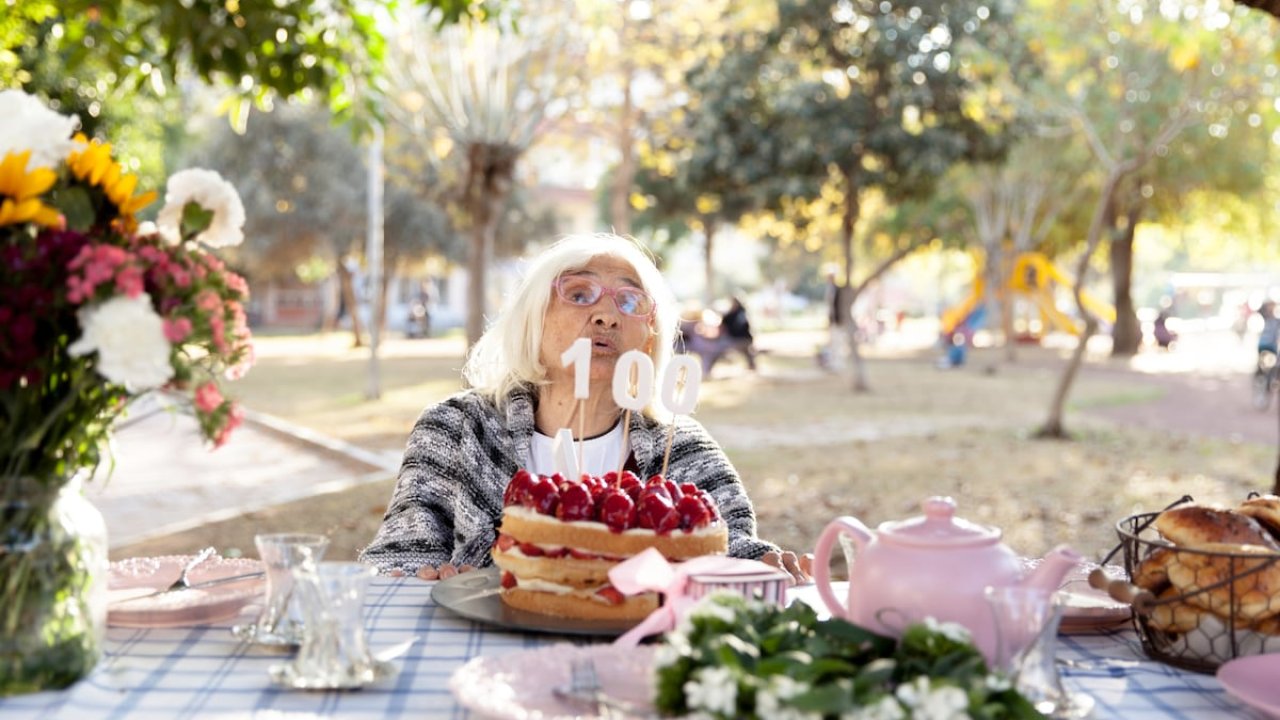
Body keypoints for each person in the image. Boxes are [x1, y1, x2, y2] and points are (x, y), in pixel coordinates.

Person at [359, 233, 811, 583]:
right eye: (578, 294)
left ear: (648, 337)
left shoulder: (683, 446)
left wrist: (766, 564)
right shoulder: (456, 429)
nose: (606, 316)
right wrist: (421, 574)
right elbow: (401, 555)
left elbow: (730, 550)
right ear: (534, 319)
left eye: (630, 301)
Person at [710, 296, 757, 372]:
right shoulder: (742, 313)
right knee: (747, 350)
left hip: (738, 339)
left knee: (716, 348)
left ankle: (708, 369)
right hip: (745, 338)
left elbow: (723, 327)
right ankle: (752, 365)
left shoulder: (733, 315)